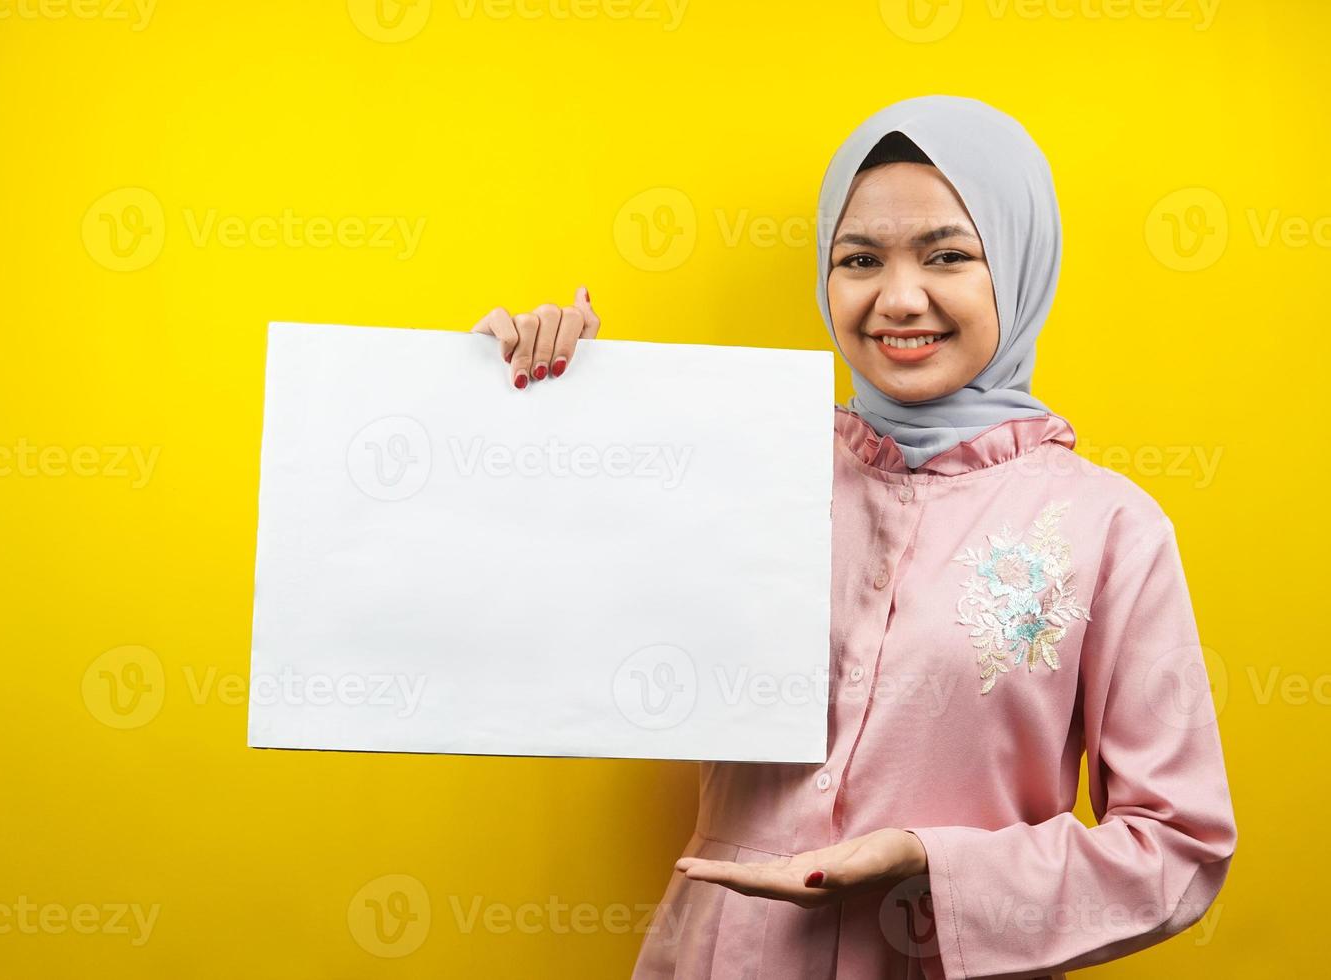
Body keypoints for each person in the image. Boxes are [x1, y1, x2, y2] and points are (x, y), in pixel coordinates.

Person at [472, 95, 1237, 980]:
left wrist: (929, 861)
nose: (899, 297)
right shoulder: (737, 470)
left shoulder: (1109, 529)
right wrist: (532, 405)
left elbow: (1179, 842)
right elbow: (553, 593)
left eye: (949, 254)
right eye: (860, 258)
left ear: (1021, 266)